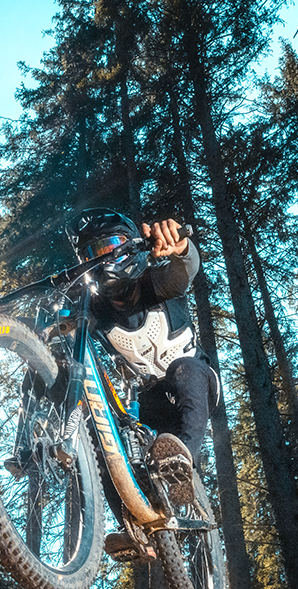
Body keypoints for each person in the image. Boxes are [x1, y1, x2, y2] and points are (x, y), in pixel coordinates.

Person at [64, 208, 220, 506]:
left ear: (132, 245)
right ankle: (132, 522)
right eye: (95, 253)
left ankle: (183, 461)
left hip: (196, 382)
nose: (107, 258)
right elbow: (52, 325)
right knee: (106, 433)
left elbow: (186, 267)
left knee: (184, 368)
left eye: (114, 246)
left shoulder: (160, 281)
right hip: (147, 405)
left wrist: (181, 246)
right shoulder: (94, 311)